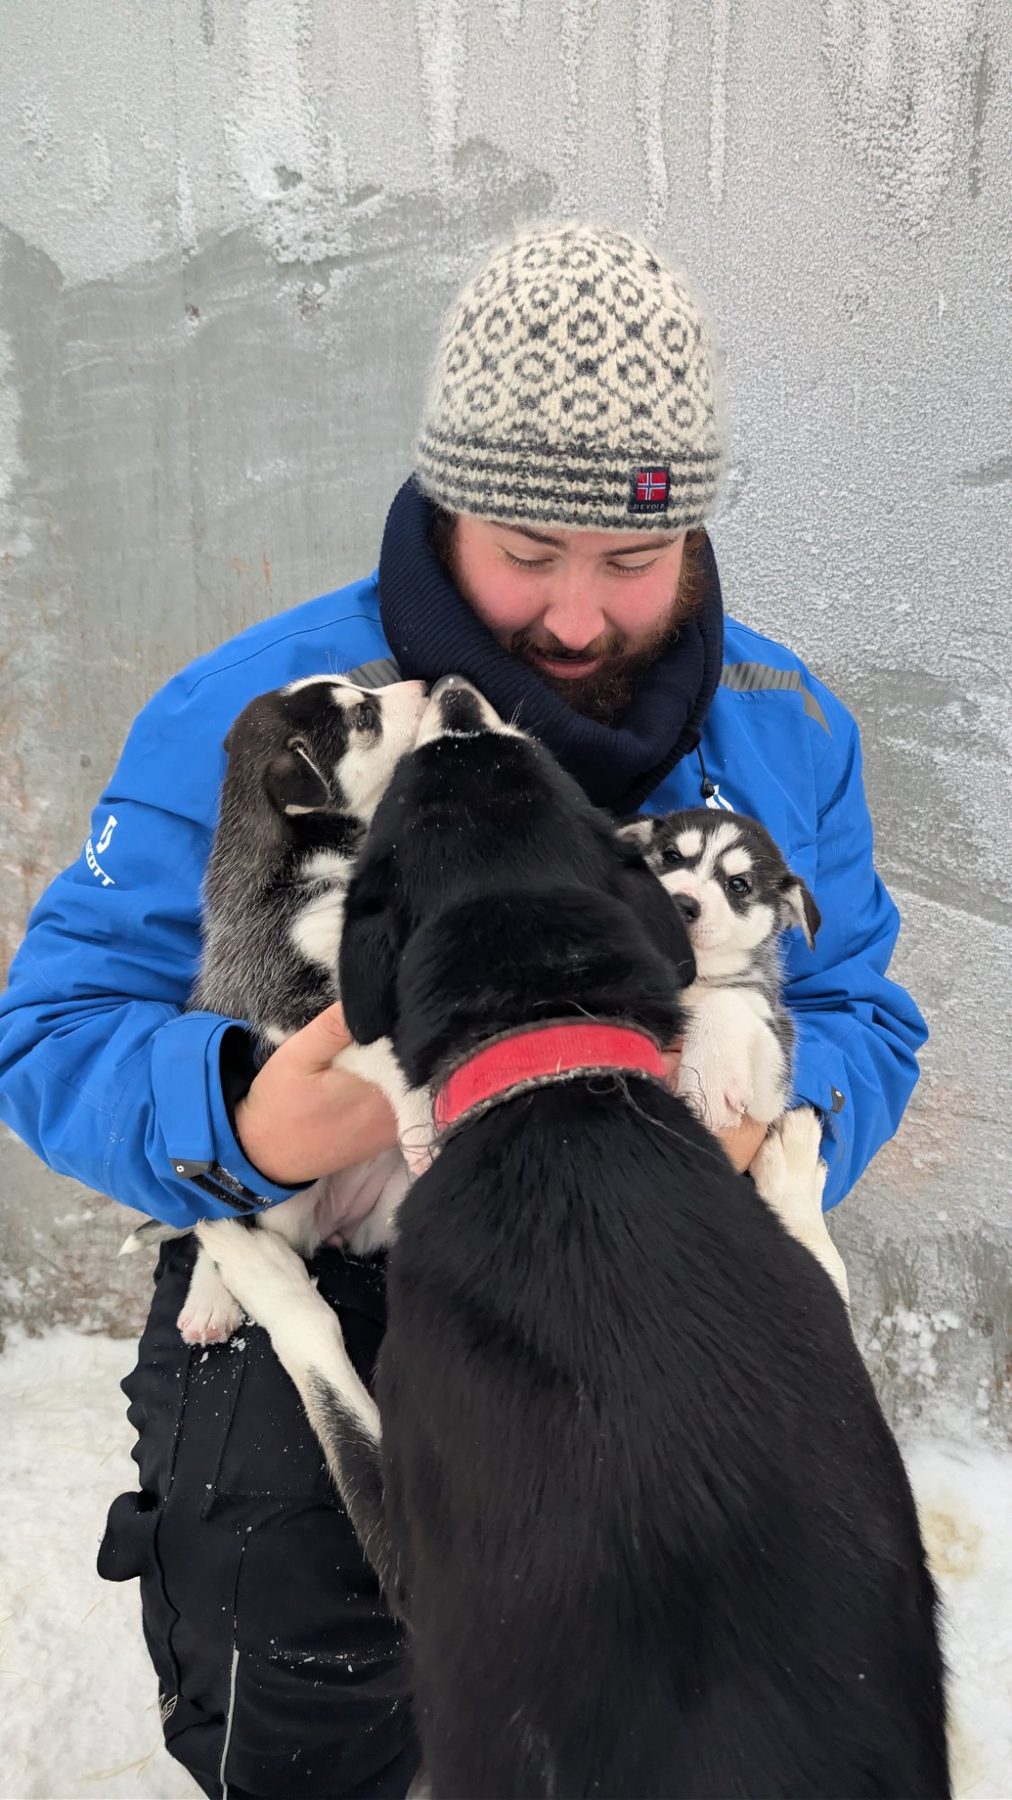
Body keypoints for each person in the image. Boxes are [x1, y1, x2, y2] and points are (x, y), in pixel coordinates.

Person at [0, 223, 926, 1799]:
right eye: (525, 552)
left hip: (654, 1269)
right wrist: (243, 1114)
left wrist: (775, 1104)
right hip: (345, 1249)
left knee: (766, 1669)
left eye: (632, 560)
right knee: (313, 1666)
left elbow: (860, 1010)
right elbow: (54, 1028)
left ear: (691, 535)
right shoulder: (271, 713)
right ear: (443, 510)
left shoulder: (784, 727)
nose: (576, 618)